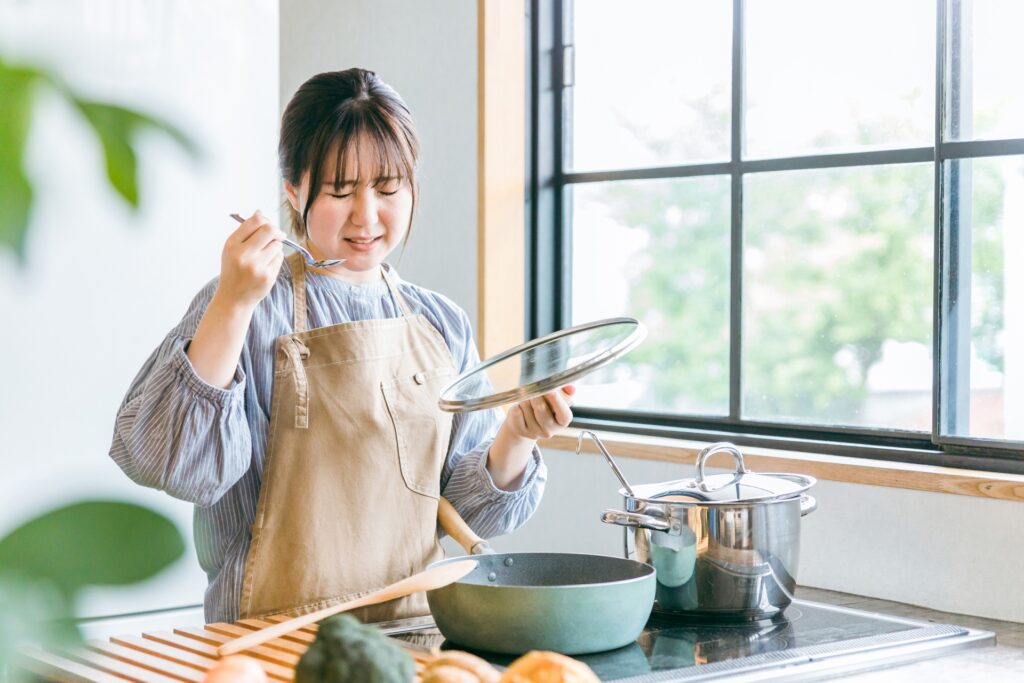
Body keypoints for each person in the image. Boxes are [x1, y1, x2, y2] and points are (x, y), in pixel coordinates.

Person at [109, 68, 573, 624]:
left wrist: (516, 434)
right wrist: (233, 304)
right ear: (293, 190)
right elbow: (173, 466)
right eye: (339, 190)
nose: (366, 216)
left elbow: (471, 507)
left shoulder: (439, 321)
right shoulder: (249, 303)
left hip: (415, 639)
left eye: (386, 188)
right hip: (271, 646)